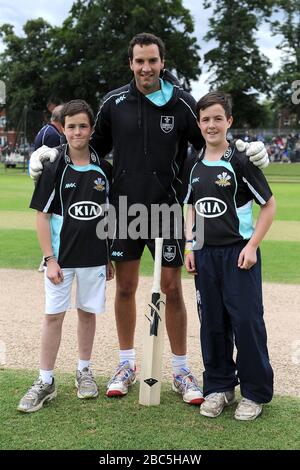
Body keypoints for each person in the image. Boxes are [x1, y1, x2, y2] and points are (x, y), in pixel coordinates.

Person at [29, 33, 269, 405]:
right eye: (139, 61)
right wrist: (51, 156)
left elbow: (209, 138)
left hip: (168, 210)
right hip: (124, 211)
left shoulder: (181, 102)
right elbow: (88, 146)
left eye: (152, 61)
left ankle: (180, 368)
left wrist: (243, 149)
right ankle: (126, 364)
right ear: (131, 63)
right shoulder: (114, 103)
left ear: (162, 62)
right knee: (125, 288)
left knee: (172, 289)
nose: (146, 68)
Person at [17, 100, 114, 413]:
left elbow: (108, 216)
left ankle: (83, 370)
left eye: (83, 126)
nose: (77, 132)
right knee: (53, 316)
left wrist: (108, 255)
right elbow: (43, 217)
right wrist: (49, 259)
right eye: (71, 126)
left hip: (94, 259)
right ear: (63, 128)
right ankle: (46, 380)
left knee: (87, 313)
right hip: (61, 260)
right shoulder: (54, 166)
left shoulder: (104, 168)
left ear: (92, 129)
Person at [184, 91, 275, 420]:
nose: (211, 125)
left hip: (239, 255)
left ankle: (255, 393)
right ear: (199, 123)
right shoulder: (193, 163)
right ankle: (219, 388)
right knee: (212, 324)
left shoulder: (240, 161)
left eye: (217, 118)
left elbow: (269, 206)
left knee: (246, 323)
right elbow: (192, 206)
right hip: (205, 256)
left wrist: (251, 247)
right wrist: (190, 246)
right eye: (205, 119)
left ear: (229, 122)